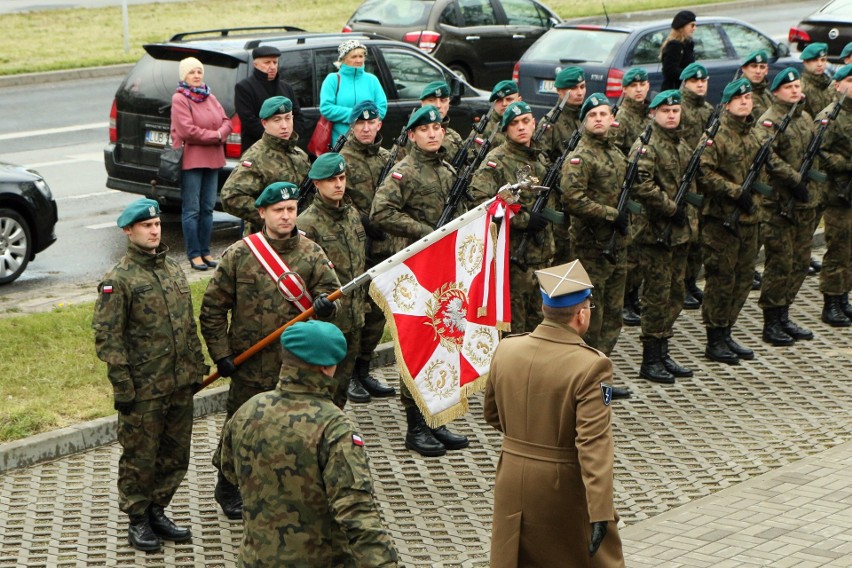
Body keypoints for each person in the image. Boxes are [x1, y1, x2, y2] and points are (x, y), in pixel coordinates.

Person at [201, 182, 340, 520]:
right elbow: (213, 309)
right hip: (249, 364)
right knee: (240, 427)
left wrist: (326, 307)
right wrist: (221, 354)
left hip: (295, 367)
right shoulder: (240, 254)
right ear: (262, 212)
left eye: (291, 209)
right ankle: (228, 484)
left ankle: (286, 485)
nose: (286, 216)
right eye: (278, 210)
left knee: (294, 429)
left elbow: (334, 295)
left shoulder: (312, 253)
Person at [215, 320, 400, 566]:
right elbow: (356, 513)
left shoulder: (248, 409)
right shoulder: (334, 428)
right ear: (327, 367)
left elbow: (227, 469)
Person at [484, 260, 625, 567]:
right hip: (562, 485)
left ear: (544, 308)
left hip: (511, 475)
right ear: (582, 314)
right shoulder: (592, 365)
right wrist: (600, 511)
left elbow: (492, 414)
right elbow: (593, 443)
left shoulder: (507, 348)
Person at [92, 199, 207, 552]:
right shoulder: (119, 279)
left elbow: (187, 324)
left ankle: (158, 510)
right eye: (146, 226)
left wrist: (197, 366)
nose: (154, 230)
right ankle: (138, 518)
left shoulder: (173, 270)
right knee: (140, 456)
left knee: (176, 455)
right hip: (144, 389)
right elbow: (108, 337)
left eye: (157, 224)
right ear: (129, 231)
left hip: (179, 382)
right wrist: (123, 386)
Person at [370, 105, 470, 457]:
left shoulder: (447, 170)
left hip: (444, 270)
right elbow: (380, 212)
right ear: (411, 135)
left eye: (437, 127)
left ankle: (436, 419)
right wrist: (426, 232)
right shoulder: (404, 171)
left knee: (444, 342)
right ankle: (415, 426)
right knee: (418, 345)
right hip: (414, 271)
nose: (432, 133)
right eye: (424, 129)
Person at [298, 152, 393, 404]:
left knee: (341, 390)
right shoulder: (307, 223)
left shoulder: (352, 215)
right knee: (319, 390)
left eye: (341, 177)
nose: (339, 184)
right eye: (331, 180)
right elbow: (300, 279)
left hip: (354, 318)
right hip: (325, 321)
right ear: (317, 184)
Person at [562, 93, 632, 400]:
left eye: (604, 114)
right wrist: (610, 214)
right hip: (591, 247)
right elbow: (571, 199)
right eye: (593, 115)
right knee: (590, 316)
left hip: (616, 246)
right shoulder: (580, 157)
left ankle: (601, 376)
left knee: (614, 314)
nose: (600, 119)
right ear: (584, 121)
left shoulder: (617, 154)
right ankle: (583, 382)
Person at [698, 78, 770, 364]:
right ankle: (714, 338)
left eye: (748, 97)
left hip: (750, 218)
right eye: (739, 98)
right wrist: (734, 191)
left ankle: (727, 330)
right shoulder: (715, 137)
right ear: (727, 104)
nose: (745, 101)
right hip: (721, 220)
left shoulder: (754, 134)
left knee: (742, 279)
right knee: (721, 279)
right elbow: (703, 173)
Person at [469, 101, 554, 333]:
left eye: (526, 121)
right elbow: (481, 201)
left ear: (534, 123)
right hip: (514, 260)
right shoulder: (496, 161)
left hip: (542, 255)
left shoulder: (540, 159)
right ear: (506, 129)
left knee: (541, 326)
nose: (521, 127)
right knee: (515, 331)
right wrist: (524, 220)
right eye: (514, 123)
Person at [631, 90, 697, 384]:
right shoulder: (646, 147)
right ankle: (650, 359)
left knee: (675, 294)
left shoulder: (681, 144)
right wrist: (672, 209)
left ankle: (663, 350)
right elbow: (641, 186)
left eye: (675, 110)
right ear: (653, 113)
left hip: (679, 234)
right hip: (655, 233)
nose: (671, 115)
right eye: (665, 110)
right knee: (656, 297)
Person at [339, 101, 400, 402]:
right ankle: (348, 373)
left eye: (371, 122)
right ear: (352, 126)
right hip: (355, 249)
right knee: (355, 314)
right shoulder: (342, 160)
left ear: (379, 125)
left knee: (376, 313)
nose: (365, 127)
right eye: (359, 123)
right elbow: (333, 199)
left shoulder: (389, 158)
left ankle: (363, 369)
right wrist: (362, 220)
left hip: (384, 247)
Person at [757, 68, 820, 346]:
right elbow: (767, 157)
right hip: (779, 204)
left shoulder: (804, 117)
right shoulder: (769, 122)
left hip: (804, 203)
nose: (795, 91)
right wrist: (794, 179)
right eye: (789, 87)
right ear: (777, 91)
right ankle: (771, 321)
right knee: (779, 263)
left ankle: (784, 313)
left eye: (797, 86)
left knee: (800, 261)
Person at [169, 57, 232, 271]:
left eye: (198, 71)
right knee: (192, 209)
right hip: (192, 160)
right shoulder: (180, 99)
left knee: (207, 208)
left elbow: (226, 121)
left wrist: (219, 132)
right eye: (191, 72)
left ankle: (206, 251)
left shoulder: (209, 96)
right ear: (183, 76)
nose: (196, 76)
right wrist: (216, 136)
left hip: (213, 159)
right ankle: (194, 254)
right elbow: (187, 131)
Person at [220, 96, 311, 235]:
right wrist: (270, 218)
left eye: (288, 118)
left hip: (298, 237)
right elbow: (230, 197)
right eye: (277, 120)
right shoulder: (256, 157)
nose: (284, 125)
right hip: (267, 239)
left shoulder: (300, 155)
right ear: (264, 123)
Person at [612, 68, 651, 328]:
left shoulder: (649, 114)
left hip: (644, 192)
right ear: (624, 89)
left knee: (640, 252)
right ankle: (625, 300)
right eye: (633, 85)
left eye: (643, 84)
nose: (639, 89)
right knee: (630, 252)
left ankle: (634, 296)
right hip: (629, 191)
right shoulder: (621, 118)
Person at [537, 66, 587, 265]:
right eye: (573, 88)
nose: (579, 92)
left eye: (582, 86)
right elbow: (540, 158)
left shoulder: (588, 116)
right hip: (560, 198)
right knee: (562, 253)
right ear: (560, 91)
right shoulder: (550, 123)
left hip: (584, 197)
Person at [815, 64, 852, 326]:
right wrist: (847, 164)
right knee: (837, 248)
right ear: (837, 85)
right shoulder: (829, 116)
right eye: (850, 80)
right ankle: (831, 302)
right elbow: (819, 154)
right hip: (838, 193)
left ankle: (843, 298)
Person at [678, 62, 713, 310]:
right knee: (687, 237)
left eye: (703, 81)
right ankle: (681, 285)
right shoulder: (678, 109)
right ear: (685, 83)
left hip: (703, 181)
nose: (700, 84)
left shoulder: (708, 109)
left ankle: (690, 282)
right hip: (684, 181)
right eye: (695, 81)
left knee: (699, 238)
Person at [234, 45, 308, 154]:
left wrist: (287, 137)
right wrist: (276, 139)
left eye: (275, 62)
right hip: (258, 151)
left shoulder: (286, 87)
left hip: (287, 149)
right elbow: (249, 122)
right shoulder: (244, 87)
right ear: (255, 64)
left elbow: (298, 117)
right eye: (267, 62)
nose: (272, 66)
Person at [319, 39, 388, 146]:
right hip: (341, 142)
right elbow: (326, 108)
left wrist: (366, 120)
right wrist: (355, 114)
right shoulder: (332, 79)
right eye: (354, 57)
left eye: (361, 56)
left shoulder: (372, 80)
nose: (358, 60)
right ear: (344, 59)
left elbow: (382, 108)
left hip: (368, 141)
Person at [397, 80, 464, 161]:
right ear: (422, 104)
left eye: (443, 100)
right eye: (432, 100)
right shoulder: (407, 139)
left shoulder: (454, 138)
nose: (438, 106)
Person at [480, 79, 523, 148]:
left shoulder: (525, 125)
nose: (504, 104)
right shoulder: (483, 129)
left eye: (509, 99)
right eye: (499, 100)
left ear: (519, 101)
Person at [660, 10, 696, 91]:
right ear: (683, 26)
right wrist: (690, 74)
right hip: (674, 90)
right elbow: (670, 71)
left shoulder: (687, 44)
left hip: (685, 89)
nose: (694, 28)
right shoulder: (674, 45)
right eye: (692, 25)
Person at [799, 43, 833, 119]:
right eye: (815, 60)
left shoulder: (827, 82)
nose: (820, 64)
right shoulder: (801, 88)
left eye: (823, 60)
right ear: (805, 63)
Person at [740, 50, 773, 120]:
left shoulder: (764, 91)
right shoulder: (739, 93)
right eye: (754, 66)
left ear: (766, 71)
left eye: (762, 67)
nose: (758, 71)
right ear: (744, 69)